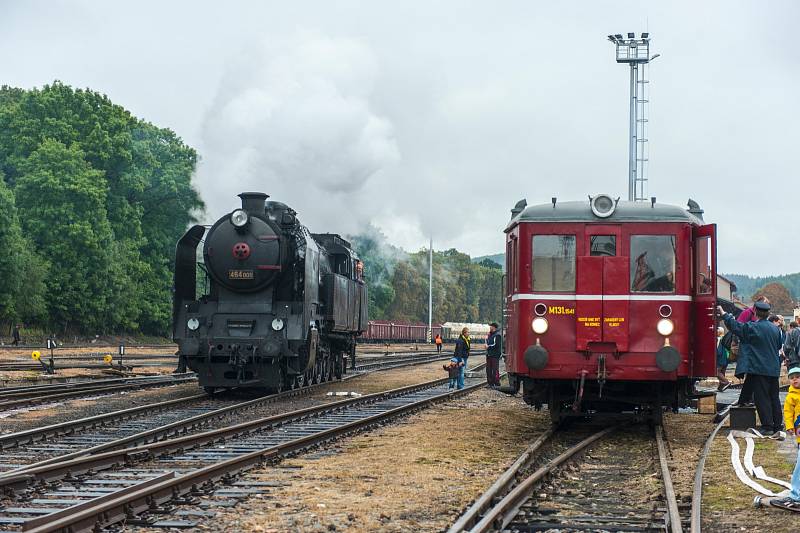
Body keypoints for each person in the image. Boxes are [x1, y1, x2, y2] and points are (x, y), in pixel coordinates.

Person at [719, 301, 784, 435]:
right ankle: (778, 425)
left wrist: (725, 315)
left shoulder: (753, 327)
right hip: (774, 369)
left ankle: (767, 426)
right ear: (768, 314)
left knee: (762, 398)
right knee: (774, 397)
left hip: (759, 368)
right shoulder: (775, 329)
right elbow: (778, 346)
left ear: (755, 312)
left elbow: (736, 327)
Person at [772, 367, 800, 510]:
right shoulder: (791, 396)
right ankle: (796, 494)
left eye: (798, 376)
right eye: (792, 377)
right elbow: (788, 412)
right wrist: (789, 426)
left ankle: (796, 495)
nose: (795, 379)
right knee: (799, 467)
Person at [736, 296, 770, 406]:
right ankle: (747, 399)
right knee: (751, 374)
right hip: (748, 347)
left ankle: (748, 399)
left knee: (753, 376)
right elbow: (739, 327)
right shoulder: (747, 313)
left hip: (756, 348)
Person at [486, 322, 502, 387]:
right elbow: (488, 342)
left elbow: (496, 345)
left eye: (491, 326)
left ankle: (496, 383)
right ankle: (490, 383)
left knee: (495, 370)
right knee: (488, 370)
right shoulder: (491, 335)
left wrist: (488, 346)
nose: (490, 327)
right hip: (489, 355)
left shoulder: (497, 335)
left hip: (495, 355)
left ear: (494, 327)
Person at [716, 327, 731, 392]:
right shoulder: (725, 338)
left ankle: (726, 382)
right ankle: (721, 387)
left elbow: (718, 351)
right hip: (726, 358)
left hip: (721, 358)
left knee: (717, 372)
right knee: (722, 372)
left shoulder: (719, 339)